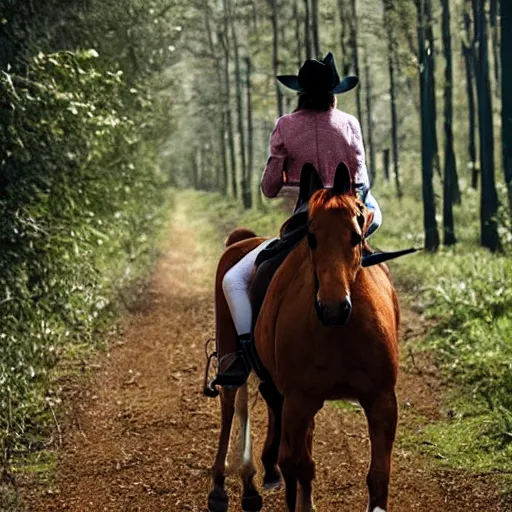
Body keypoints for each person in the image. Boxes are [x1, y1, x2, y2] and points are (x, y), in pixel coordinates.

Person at [216, 52, 382, 387]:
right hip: (349, 218)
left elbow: (269, 187)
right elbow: (362, 184)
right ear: (334, 92)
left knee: (233, 281)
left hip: (305, 223)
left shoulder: (285, 127)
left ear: (300, 92)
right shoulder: (349, 123)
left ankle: (244, 353)